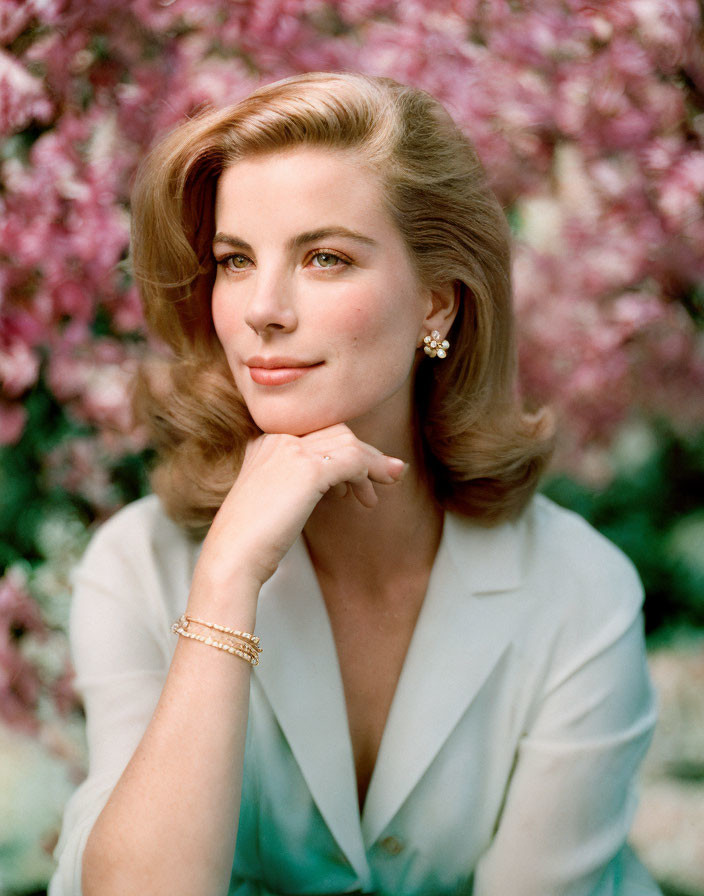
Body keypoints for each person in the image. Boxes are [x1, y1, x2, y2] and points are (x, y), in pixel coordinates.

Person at [50, 71, 661, 896]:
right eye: (235, 261)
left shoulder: (580, 592)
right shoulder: (135, 565)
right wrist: (225, 581)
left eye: (325, 257)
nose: (263, 308)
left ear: (437, 303)